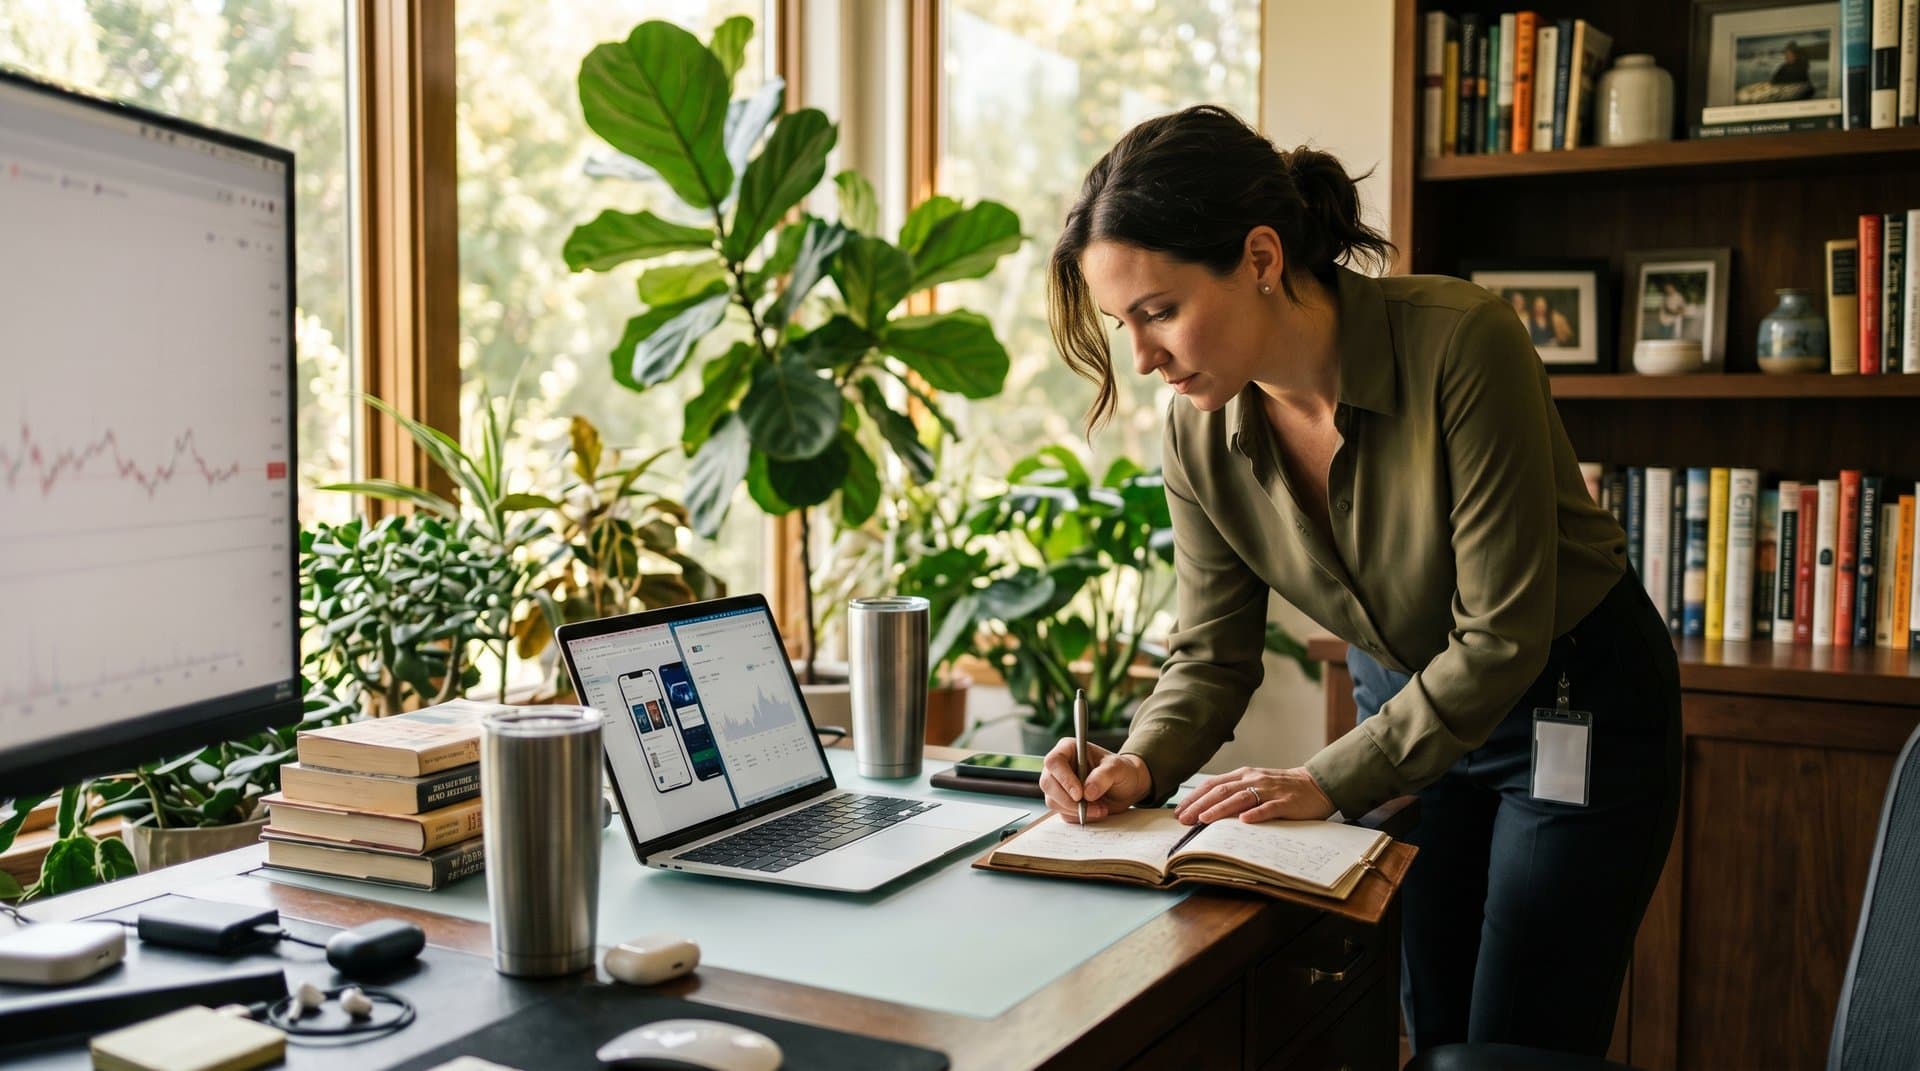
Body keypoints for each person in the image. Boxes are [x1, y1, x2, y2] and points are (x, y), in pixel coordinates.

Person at [1037, 104, 1681, 1057]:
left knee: (1515, 1046)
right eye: (1122, 323)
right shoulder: (1195, 432)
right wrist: (1142, 761)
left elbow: (1502, 637)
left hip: (1567, 702)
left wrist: (1323, 780)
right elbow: (1214, 653)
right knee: (1432, 1025)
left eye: (1161, 311)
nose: (1143, 358)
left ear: (1260, 257)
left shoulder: (1464, 342)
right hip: (1407, 715)